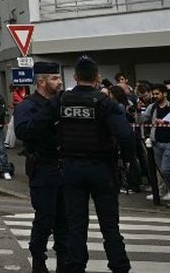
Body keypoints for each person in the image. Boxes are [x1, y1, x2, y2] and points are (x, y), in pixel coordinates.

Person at [56, 55, 134, 273]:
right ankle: (119, 266)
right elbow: (125, 135)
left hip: (72, 168)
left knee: (76, 224)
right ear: (97, 77)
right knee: (109, 225)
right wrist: (127, 161)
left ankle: (75, 266)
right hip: (102, 168)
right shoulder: (105, 103)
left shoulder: (63, 101)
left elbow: (39, 126)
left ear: (75, 77)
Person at [12, 61, 66, 273]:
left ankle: (64, 260)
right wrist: (49, 112)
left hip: (65, 167)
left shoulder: (62, 103)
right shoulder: (27, 106)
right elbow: (23, 132)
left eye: (59, 77)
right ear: (41, 82)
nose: (59, 82)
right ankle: (38, 260)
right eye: (54, 78)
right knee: (45, 217)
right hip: (43, 167)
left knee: (65, 219)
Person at [143, 84, 170, 205]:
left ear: (165, 94)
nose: (155, 96)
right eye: (153, 94)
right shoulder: (152, 107)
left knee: (166, 170)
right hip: (156, 143)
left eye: (157, 94)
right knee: (163, 173)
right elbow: (143, 120)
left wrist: (167, 123)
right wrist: (138, 111)